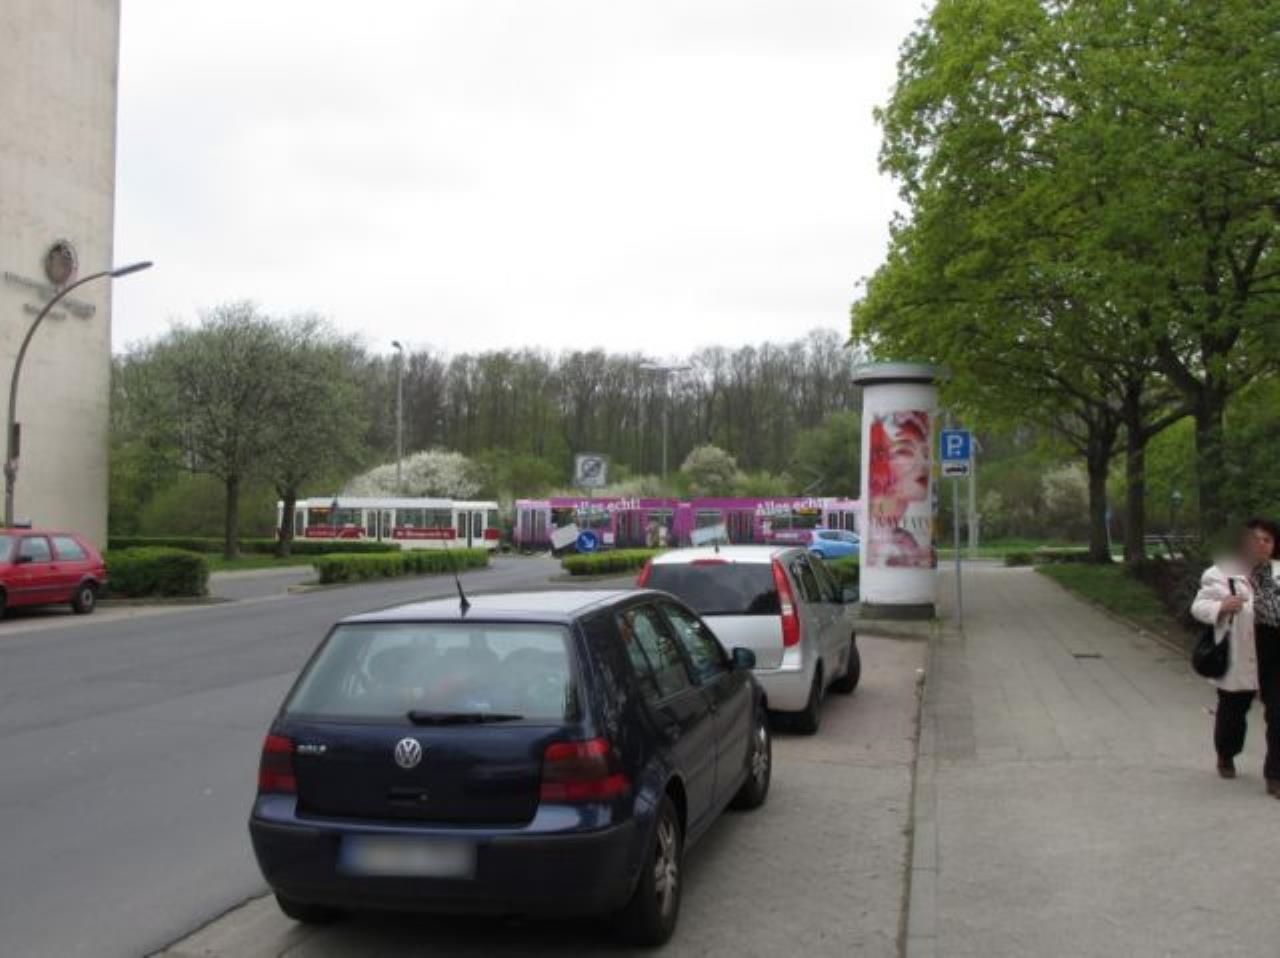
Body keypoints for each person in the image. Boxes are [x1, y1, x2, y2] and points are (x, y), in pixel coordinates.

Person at [1191, 517, 1280, 797]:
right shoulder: (1222, 572)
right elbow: (1199, 606)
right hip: (1240, 652)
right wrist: (1220, 607)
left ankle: (1275, 776)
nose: (1261, 544)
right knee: (1233, 712)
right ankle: (1226, 753)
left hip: (1274, 653)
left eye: (1267, 540)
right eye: (1255, 539)